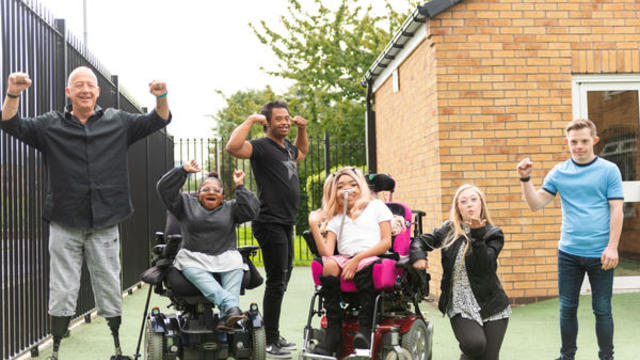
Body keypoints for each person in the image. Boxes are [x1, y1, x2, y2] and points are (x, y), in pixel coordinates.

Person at [0, 67, 171, 360]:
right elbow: (10, 123)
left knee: (108, 283)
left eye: (89, 85)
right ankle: (55, 351)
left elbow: (159, 119)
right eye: (78, 85)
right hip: (64, 220)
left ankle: (117, 348)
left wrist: (162, 96)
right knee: (62, 287)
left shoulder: (118, 121)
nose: (85, 90)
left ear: (97, 91)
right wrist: (13, 92)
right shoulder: (49, 125)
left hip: (106, 219)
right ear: (69, 92)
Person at [516, 118, 623, 360]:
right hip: (569, 253)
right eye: (574, 142)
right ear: (568, 142)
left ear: (594, 141)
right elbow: (536, 204)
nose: (579, 146)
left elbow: (616, 208)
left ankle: (607, 357)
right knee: (567, 308)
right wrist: (525, 180)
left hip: (601, 253)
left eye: (584, 141)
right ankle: (567, 356)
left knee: (602, 309)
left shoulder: (609, 170)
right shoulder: (559, 172)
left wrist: (612, 247)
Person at [225, 100, 308, 358]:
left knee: (282, 281)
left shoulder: (287, 149)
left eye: (287, 118)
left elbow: (302, 152)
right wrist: (250, 121)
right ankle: (269, 340)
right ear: (268, 122)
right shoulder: (261, 147)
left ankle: (273, 334)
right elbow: (233, 147)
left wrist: (302, 129)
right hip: (269, 220)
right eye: (279, 119)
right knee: (276, 281)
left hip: (286, 222)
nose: (285, 122)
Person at [156, 160, 260, 330]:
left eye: (216, 190)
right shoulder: (184, 203)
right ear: (198, 194)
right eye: (206, 189)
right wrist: (182, 171)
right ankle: (230, 308)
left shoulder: (231, 208)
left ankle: (227, 317)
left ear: (223, 196)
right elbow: (163, 189)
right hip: (193, 257)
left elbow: (252, 211)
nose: (211, 192)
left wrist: (240, 186)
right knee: (191, 268)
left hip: (225, 256)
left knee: (236, 265)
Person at [410, 184, 510, 360]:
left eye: (474, 200)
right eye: (463, 201)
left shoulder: (493, 234)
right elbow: (419, 241)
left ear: (481, 204)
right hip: (460, 304)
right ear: (458, 208)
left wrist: (478, 234)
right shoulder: (449, 230)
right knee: (474, 345)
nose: (469, 204)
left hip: (492, 303)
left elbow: (484, 265)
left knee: (489, 357)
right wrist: (418, 256)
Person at [307, 167, 393, 356]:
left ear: (361, 186)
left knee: (367, 270)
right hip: (345, 258)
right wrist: (314, 225)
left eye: (353, 185)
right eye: (341, 187)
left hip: (370, 256)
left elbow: (386, 242)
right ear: (334, 193)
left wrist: (358, 259)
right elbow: (327, 251)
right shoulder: (337, 217)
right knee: (328, 264)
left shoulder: (376, 206)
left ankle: (364, 329)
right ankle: (333, 331)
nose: (348, 190)